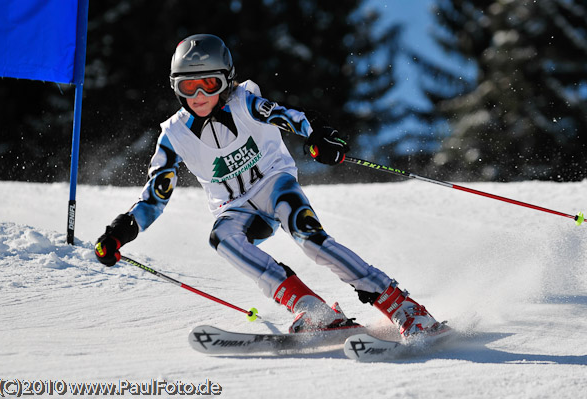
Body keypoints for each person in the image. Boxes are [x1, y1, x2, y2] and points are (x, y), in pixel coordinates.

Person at [94, 34, 444, 338]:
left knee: (310, 239)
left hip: (274, 184)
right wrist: (119, 233)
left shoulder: (245, 102)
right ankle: (312, 309)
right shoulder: (174, 134)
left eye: (209, 84)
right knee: (222, 239)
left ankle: (402, 306)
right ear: (176, 88)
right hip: (234, 208)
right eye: (188, 86)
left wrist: (318, 135)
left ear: (226, 81)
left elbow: (290, 117)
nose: (199, 95)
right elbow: (155, 195)